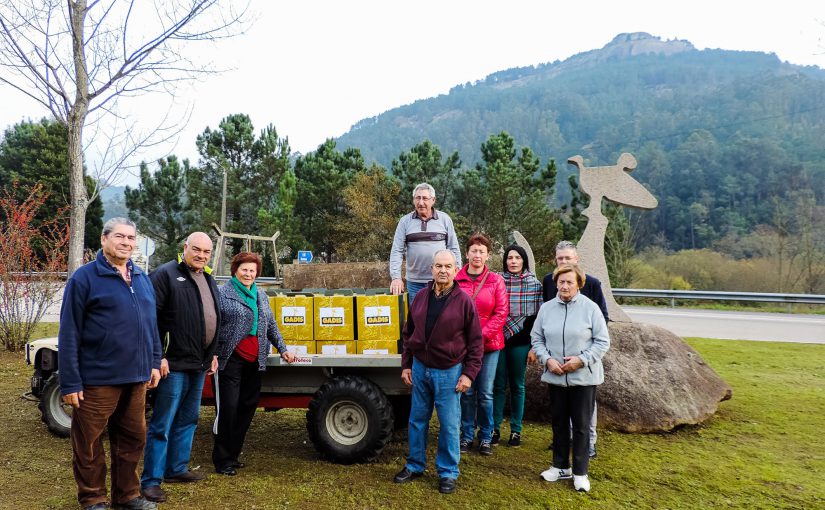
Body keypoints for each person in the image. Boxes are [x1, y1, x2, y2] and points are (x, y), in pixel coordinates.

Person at [58, 218, 161, 510]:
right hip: (97, 378)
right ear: (104, 240)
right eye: (120, 236)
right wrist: (70, 381)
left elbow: (151, 325)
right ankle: (93, 499)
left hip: (137, 377)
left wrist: (154, 361)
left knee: (132, 439)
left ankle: (127, 495)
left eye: (131, 238)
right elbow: (69, 332)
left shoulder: (141, 278)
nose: (126, 242)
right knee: (89, 443)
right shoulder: (85, 278)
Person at [393, 250, 483, 494]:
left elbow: (476, 342)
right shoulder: (420, 297)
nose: (443, 270)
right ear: (431, 269)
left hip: (449, 371)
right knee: (417, 420)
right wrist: (407, 364)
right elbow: (408, 333)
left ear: (456, 270)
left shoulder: (464, 302)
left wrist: (469, 374)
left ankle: (448, 472)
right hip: (421, 368)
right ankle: (415, 465)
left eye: (448, 266)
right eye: (438, 266)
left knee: (449, 425)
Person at [140, 232, 221, 503]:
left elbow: (212, 319)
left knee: (189, 419)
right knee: (162, 423)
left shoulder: (207, 278)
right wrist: (157, 356)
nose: (201, 255)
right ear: (184, 248)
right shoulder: (165, 275)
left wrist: (213, 353)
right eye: (196, 249)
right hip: (171, 364)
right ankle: (151, 480)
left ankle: (176, 469)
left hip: (199, 364)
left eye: (206, 252)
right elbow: (149, 319)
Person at [212, 252, 296, 475]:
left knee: (247, 407)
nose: (248, 274)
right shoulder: (222, 293)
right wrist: (211, 354)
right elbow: (213, 326)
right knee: (228, 409)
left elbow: (271, 326)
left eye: (252, 270)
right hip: (230, 360)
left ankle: (233, 455)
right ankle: (222, 460)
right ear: (235, 270)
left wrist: (283, 348)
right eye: (244, 269)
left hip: (255, 361)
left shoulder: (260, 295)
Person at [532, 264, 610, 493]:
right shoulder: (546, 309)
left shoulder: (591, 308)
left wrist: (582, 360)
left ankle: (580, 472)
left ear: (579, 284)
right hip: (556, 376)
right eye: (561, 281)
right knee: (558, 423)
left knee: (582, 426)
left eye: (569, 282)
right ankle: (559, 466)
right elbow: (536, 338)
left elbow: (602, 341)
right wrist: (547, 360)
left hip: (583, 378)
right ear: (556, 283)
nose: (564, 286)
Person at [539, 240, 608, 457]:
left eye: (568, 258)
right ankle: (562, 440)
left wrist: (585, 355)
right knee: (560, 405)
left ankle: (589, 442)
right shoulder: (549, 282)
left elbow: (602, 319)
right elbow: (546, 317)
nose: (564, 262)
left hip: (584, 355)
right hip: (557, 357)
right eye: (560, 259)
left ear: (576, 259)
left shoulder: (593, 284)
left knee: (585, 406)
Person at [454, 233, 507, 456]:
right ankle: (466, 435)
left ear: (488, 255)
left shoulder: (496, 281)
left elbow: (501, 312)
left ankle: (486, 435)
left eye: (481, 251)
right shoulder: (456, 280)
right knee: (466, 392)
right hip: (462, 346)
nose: (477, 255)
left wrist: (479, 336)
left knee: (485, 393)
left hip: (488, 346)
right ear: (467, 253)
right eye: (473, 250)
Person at [492, 244, 542, 448]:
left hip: (522, 341)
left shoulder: (535, 285)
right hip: (498, 339)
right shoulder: (497, 281)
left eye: (517, 258)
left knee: (517, 386)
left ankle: (515, 431)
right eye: (509, 258)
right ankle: (494, 428)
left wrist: (534, 347)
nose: (513, 261)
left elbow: (539, 318)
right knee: (497, 385)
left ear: (524, 261)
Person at [389, 182, 462, 305]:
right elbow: (397, 250)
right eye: (417, 198)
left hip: (442, 280)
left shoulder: (445, 219)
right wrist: (396, 277)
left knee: (443, 318)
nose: (421, 202)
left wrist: (457, 272)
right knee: (418, 319)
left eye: (425, 198)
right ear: (413, 200)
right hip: (414, 283)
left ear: (433, 200)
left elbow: (453, 247)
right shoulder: (405, 222)